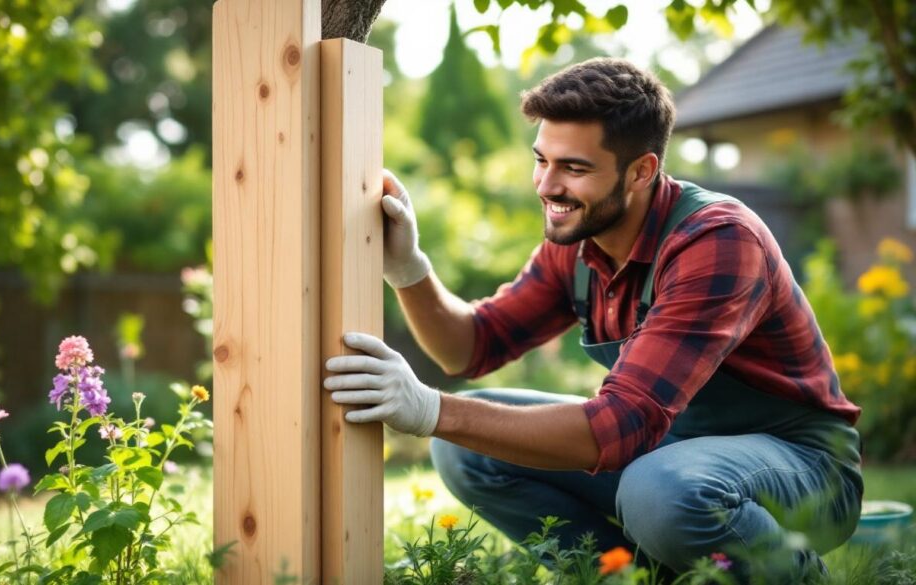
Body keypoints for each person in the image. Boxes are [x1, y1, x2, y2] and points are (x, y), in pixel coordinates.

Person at [322, 57, 862, 582]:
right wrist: (408, 271)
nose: (546, 186)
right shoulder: (578, 242)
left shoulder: (715, 241)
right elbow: (471, 347)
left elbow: (618, 426)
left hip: (803, 469)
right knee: (464, 447)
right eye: (542, 160)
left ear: (641, 171)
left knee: (659, 490)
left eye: (574, 168)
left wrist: (429, 408)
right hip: (677, 455)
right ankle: (632, 579)